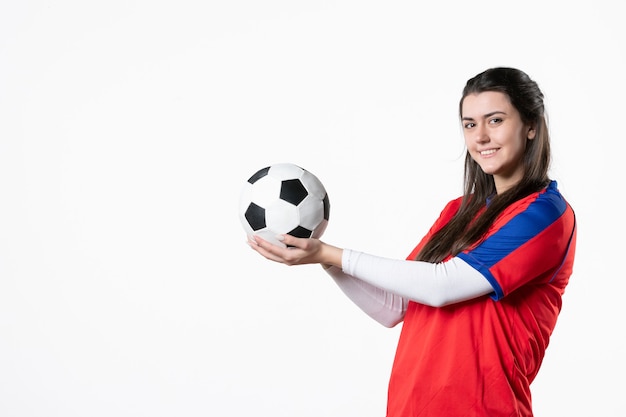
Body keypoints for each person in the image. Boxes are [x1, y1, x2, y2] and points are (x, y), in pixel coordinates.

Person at [247, 67, 577, 417]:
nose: (480, 136)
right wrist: (323, 260)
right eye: (469, 124)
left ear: (531, 126)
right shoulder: (458, 211)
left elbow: (442, 286)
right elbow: (395, 307)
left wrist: (334, 253)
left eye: (495, 120)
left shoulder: (546, 215)